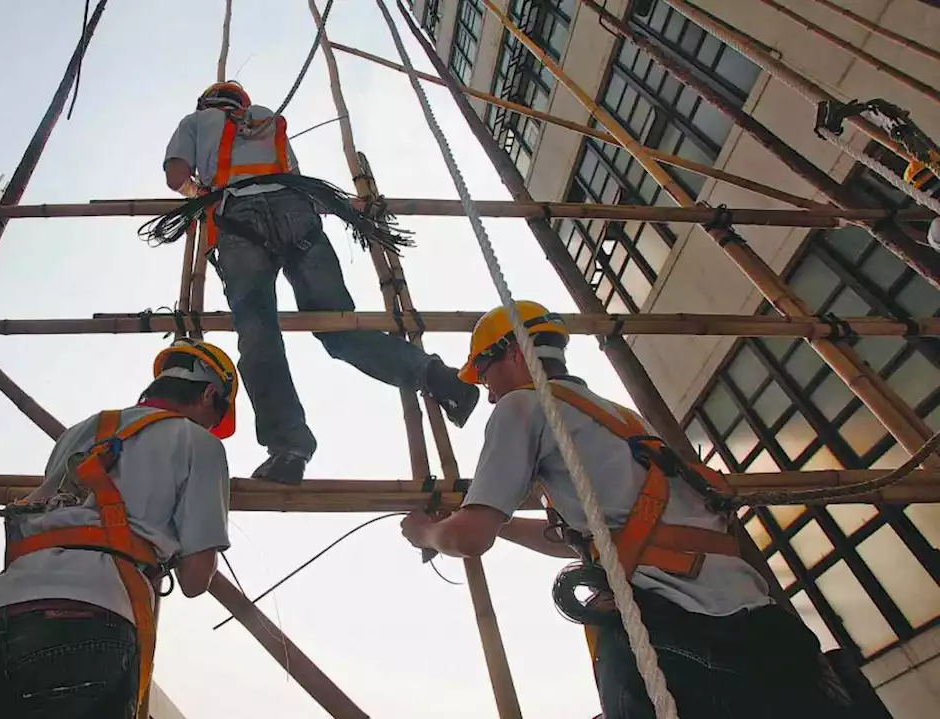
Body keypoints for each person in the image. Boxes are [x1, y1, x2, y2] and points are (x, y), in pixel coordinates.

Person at [400, 302, 847, 719]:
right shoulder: (618, 419)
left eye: (485, 374)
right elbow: (611, 541)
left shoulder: (526, 404)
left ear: (515, 354)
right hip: (770, 634)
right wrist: (507, 526)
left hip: (681, 638)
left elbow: (471, 537)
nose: (490, 395)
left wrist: (426, 533)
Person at [153, 81, 478, 486]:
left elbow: (176, 177)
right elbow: (293, 177)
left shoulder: (194, 121)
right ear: (242, 101)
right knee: (339, 328)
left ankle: (289, 447)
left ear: (207, 101)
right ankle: (438, 379)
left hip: (239, 218)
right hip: (297, 214)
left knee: (259, 335)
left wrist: (199, 194)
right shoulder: (266, 120)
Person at [0, 338, 238, 719]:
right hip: (86, 621)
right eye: (216, 417)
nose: (212, 426)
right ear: (208, 394)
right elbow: (195, 580)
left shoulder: (80, 431)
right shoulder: (199, 444)